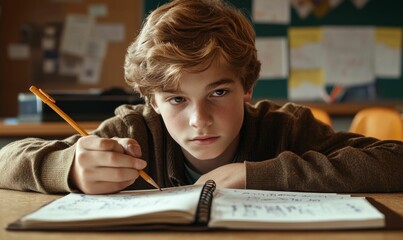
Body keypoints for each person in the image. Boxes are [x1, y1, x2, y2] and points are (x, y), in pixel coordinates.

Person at [1, 0, 403, 195]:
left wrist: (254, 176)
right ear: (151, 100)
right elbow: (5, 161)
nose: (200, 119)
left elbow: (395, 159)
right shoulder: (133, 130)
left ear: (247, 87)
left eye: (219, 92)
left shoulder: (286, 128)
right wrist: (67, 167)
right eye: (176, 99)